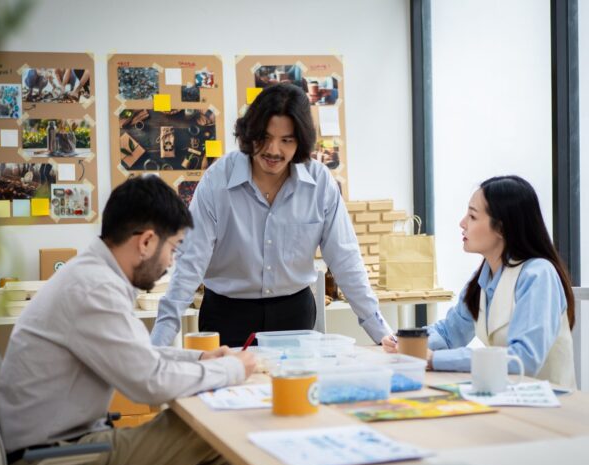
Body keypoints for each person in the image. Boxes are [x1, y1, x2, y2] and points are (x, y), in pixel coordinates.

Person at [0, 175, 255, 465]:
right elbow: (148, 382)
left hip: (64, 452)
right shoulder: (94, 288)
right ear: (146, 242)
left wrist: (201, 358)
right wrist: (233, 371)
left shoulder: (95, 277)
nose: (171, 262)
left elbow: (139, 354)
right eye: (173, 248)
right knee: (214, 428)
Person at [152, 83, 393, 347]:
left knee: (294, 388)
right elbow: (190, 262)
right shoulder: (218, 180)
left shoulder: (319, 182)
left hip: (294, 314)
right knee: (230, 388)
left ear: (301, 140)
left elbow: (345, 258)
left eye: (286, 140)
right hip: (227, 315)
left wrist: (380, 332)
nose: (273, 150)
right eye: (264, 138)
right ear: (249, 134)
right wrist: (158, 345)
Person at [381, 175, 576, 389]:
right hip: (506, 396)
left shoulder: (538, 275)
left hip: (550, 405)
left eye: (472, 217)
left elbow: (523, 359)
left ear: (501, 228)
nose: (462, 223)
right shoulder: (485, 276)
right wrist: (406, 341)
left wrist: (434, 359)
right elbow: (450, 333)